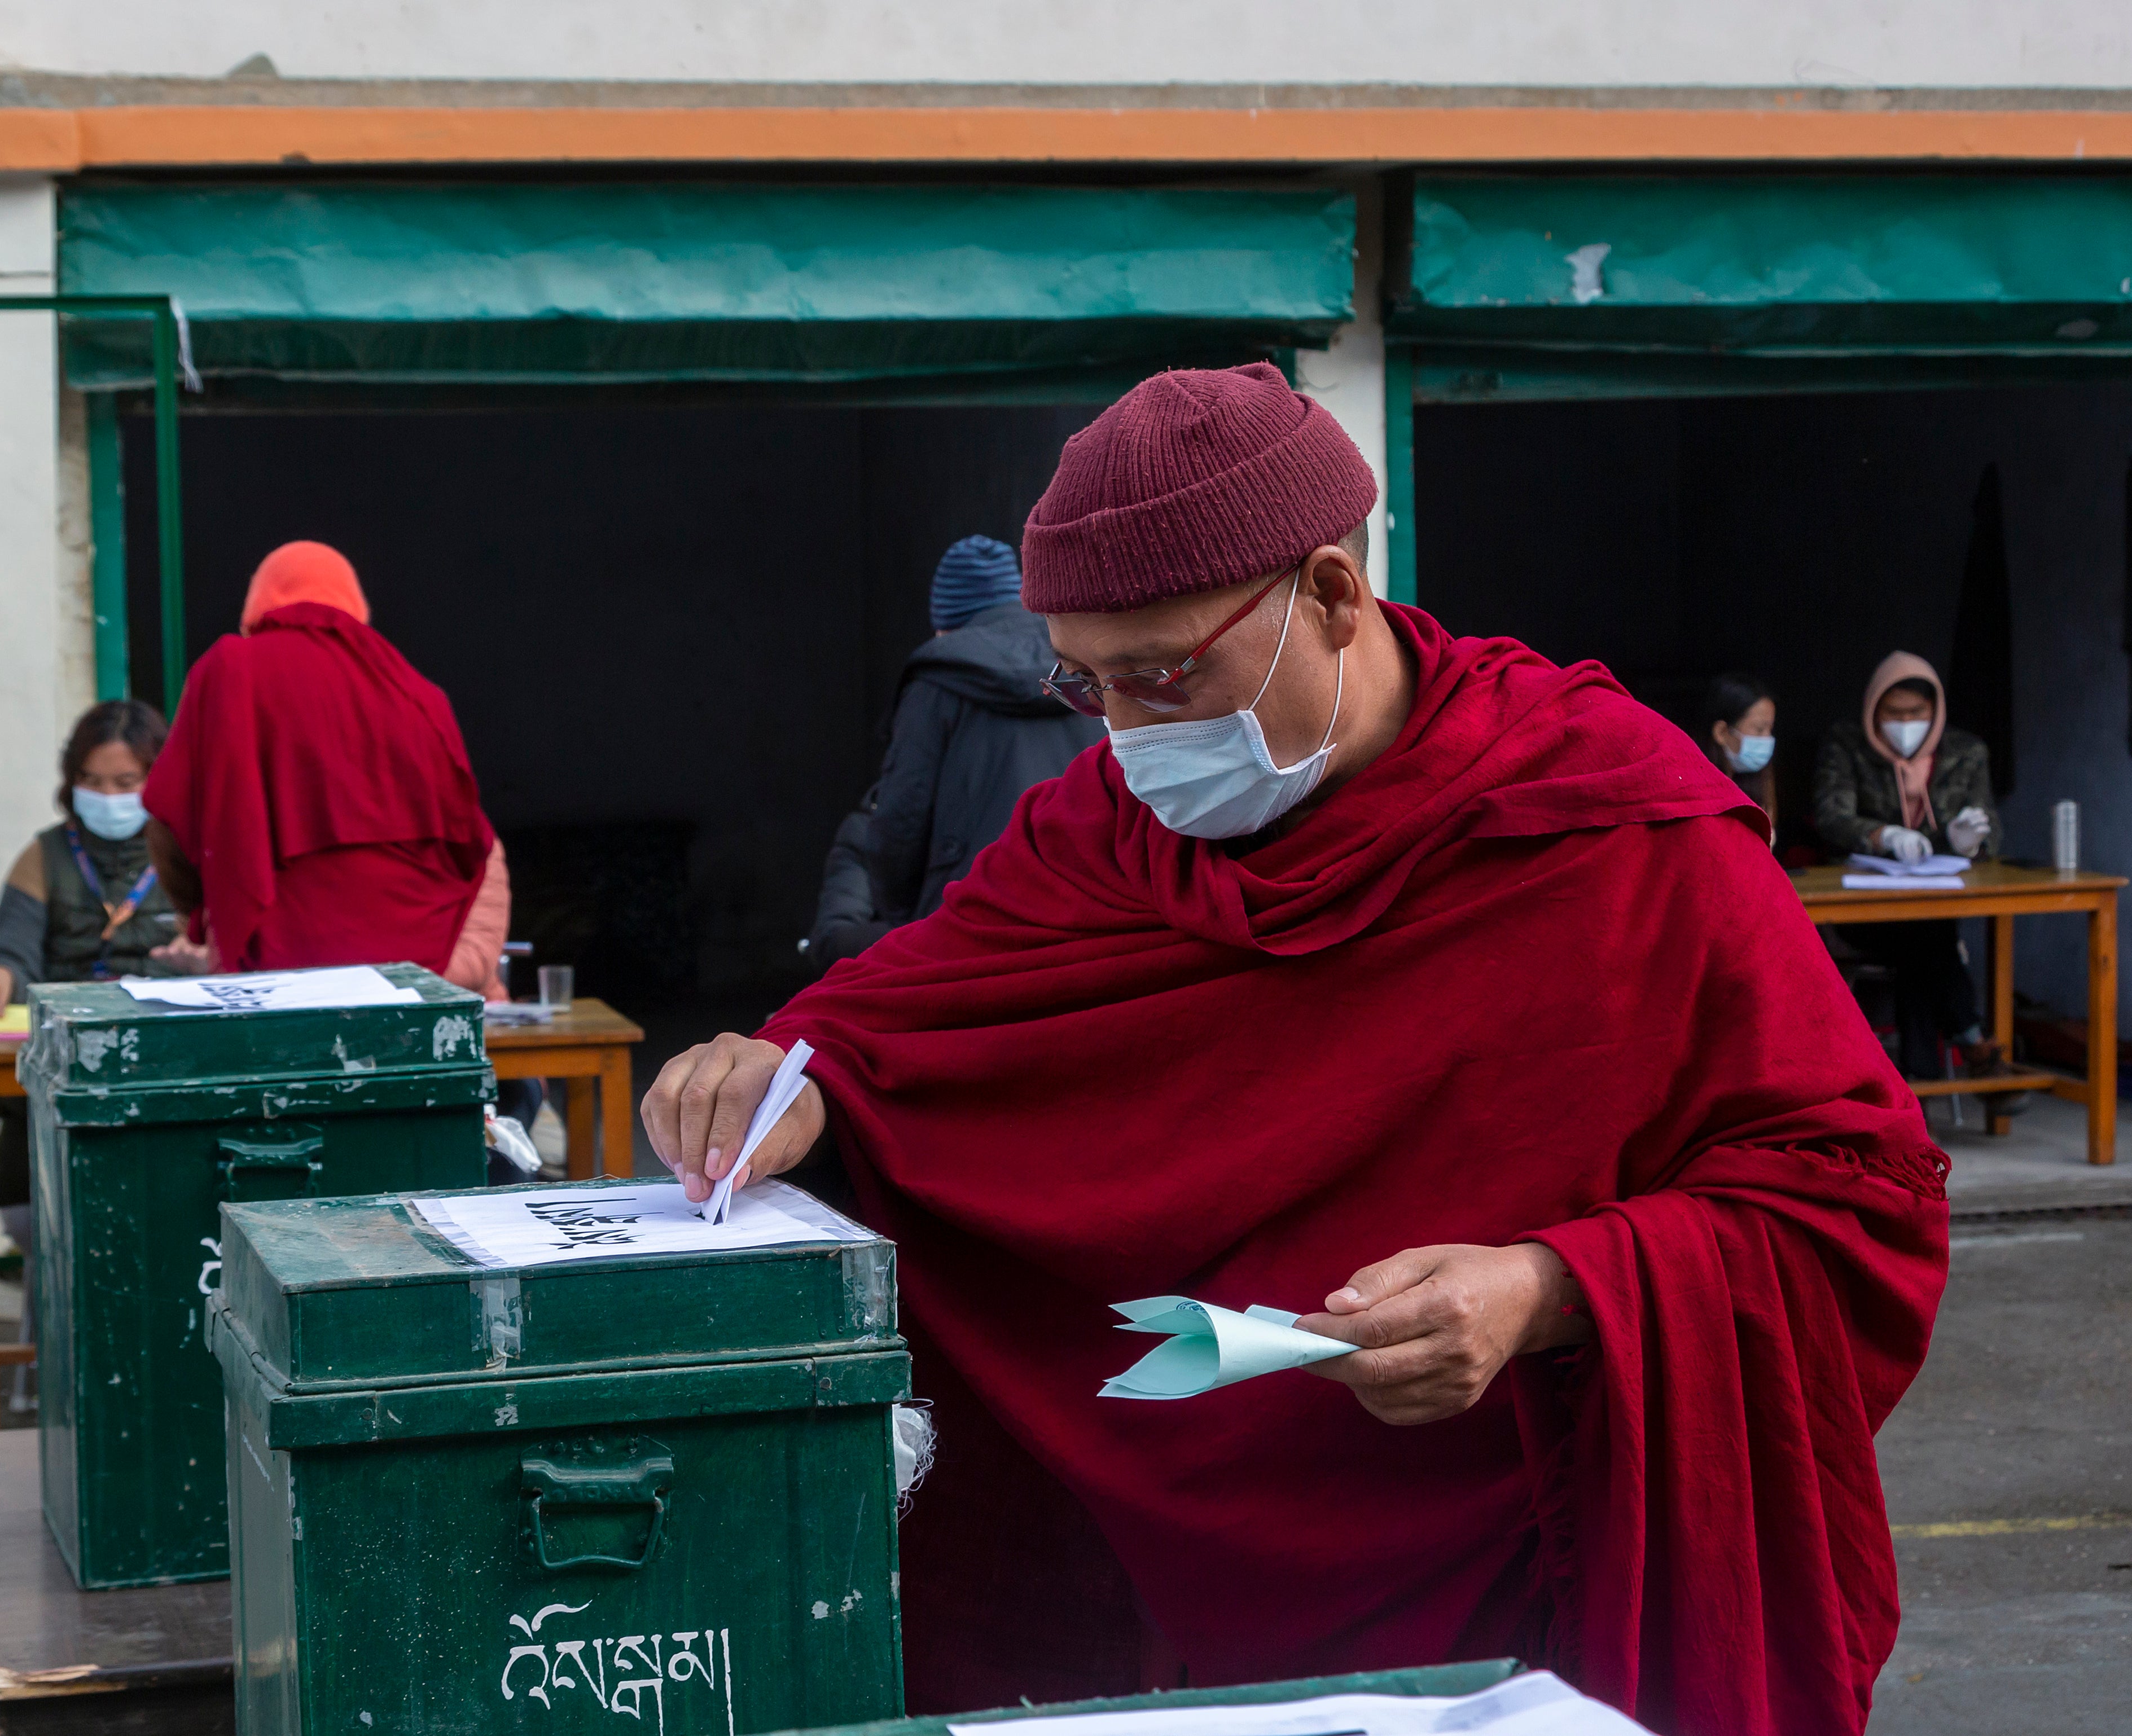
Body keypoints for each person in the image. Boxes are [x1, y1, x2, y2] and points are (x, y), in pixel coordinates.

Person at [644, 364, 1947, 1736]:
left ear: (1329, 593)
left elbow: (1851, 1195)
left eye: (1161, 674)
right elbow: (900, 1019)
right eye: (1085, 686)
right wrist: (776, 1071)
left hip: (1523, 1597)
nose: (1132, 739)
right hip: (1179, 1622)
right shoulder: (1102, 832)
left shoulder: (1607, 826)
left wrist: (1551, 1286)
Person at [142, 541, 499, 978]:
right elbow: (467, 840)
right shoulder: (419, 693)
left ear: (258, 603)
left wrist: (200, 912)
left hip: (274, 956)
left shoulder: (232, 668)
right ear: (355, 606)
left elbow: (170, 816)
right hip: (410, 966)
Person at [806, 536, 1103, 970]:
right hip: (1085, 923)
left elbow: (900, 822)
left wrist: (906, 918)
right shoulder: (1082, 670)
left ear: (947, 622)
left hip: (970, 929)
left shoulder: (937, 679)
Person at [0, 699, 187, 1232]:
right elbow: (13, 951)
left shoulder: (187, 853)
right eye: (92, 780)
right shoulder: (42, 856)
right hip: (61, 1060)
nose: (107, 796)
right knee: (30, 1218)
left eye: (124, 781)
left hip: (160, 1060)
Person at [1813, 651, 2002, 1079]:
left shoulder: (1966, 753)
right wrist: (1884, 835)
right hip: (1863, 912)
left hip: (1934, 906)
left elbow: (1992, 831)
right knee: (1927, 936)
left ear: (1935, 710)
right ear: (1873, 708)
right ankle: (1971, 1040)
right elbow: (1832, 816)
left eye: (1917, 712)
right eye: (1893, 712)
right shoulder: (1848, 746)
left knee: (1922, 935)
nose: (1905, 722)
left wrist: (1966, 841)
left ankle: (1919, 1084)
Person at [1696, 670, 1778, 840]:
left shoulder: (1762, 781)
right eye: (1759, 729)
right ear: (1722, 732)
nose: (1767, 739)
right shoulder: (1697, 790)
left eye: (1770, 729)